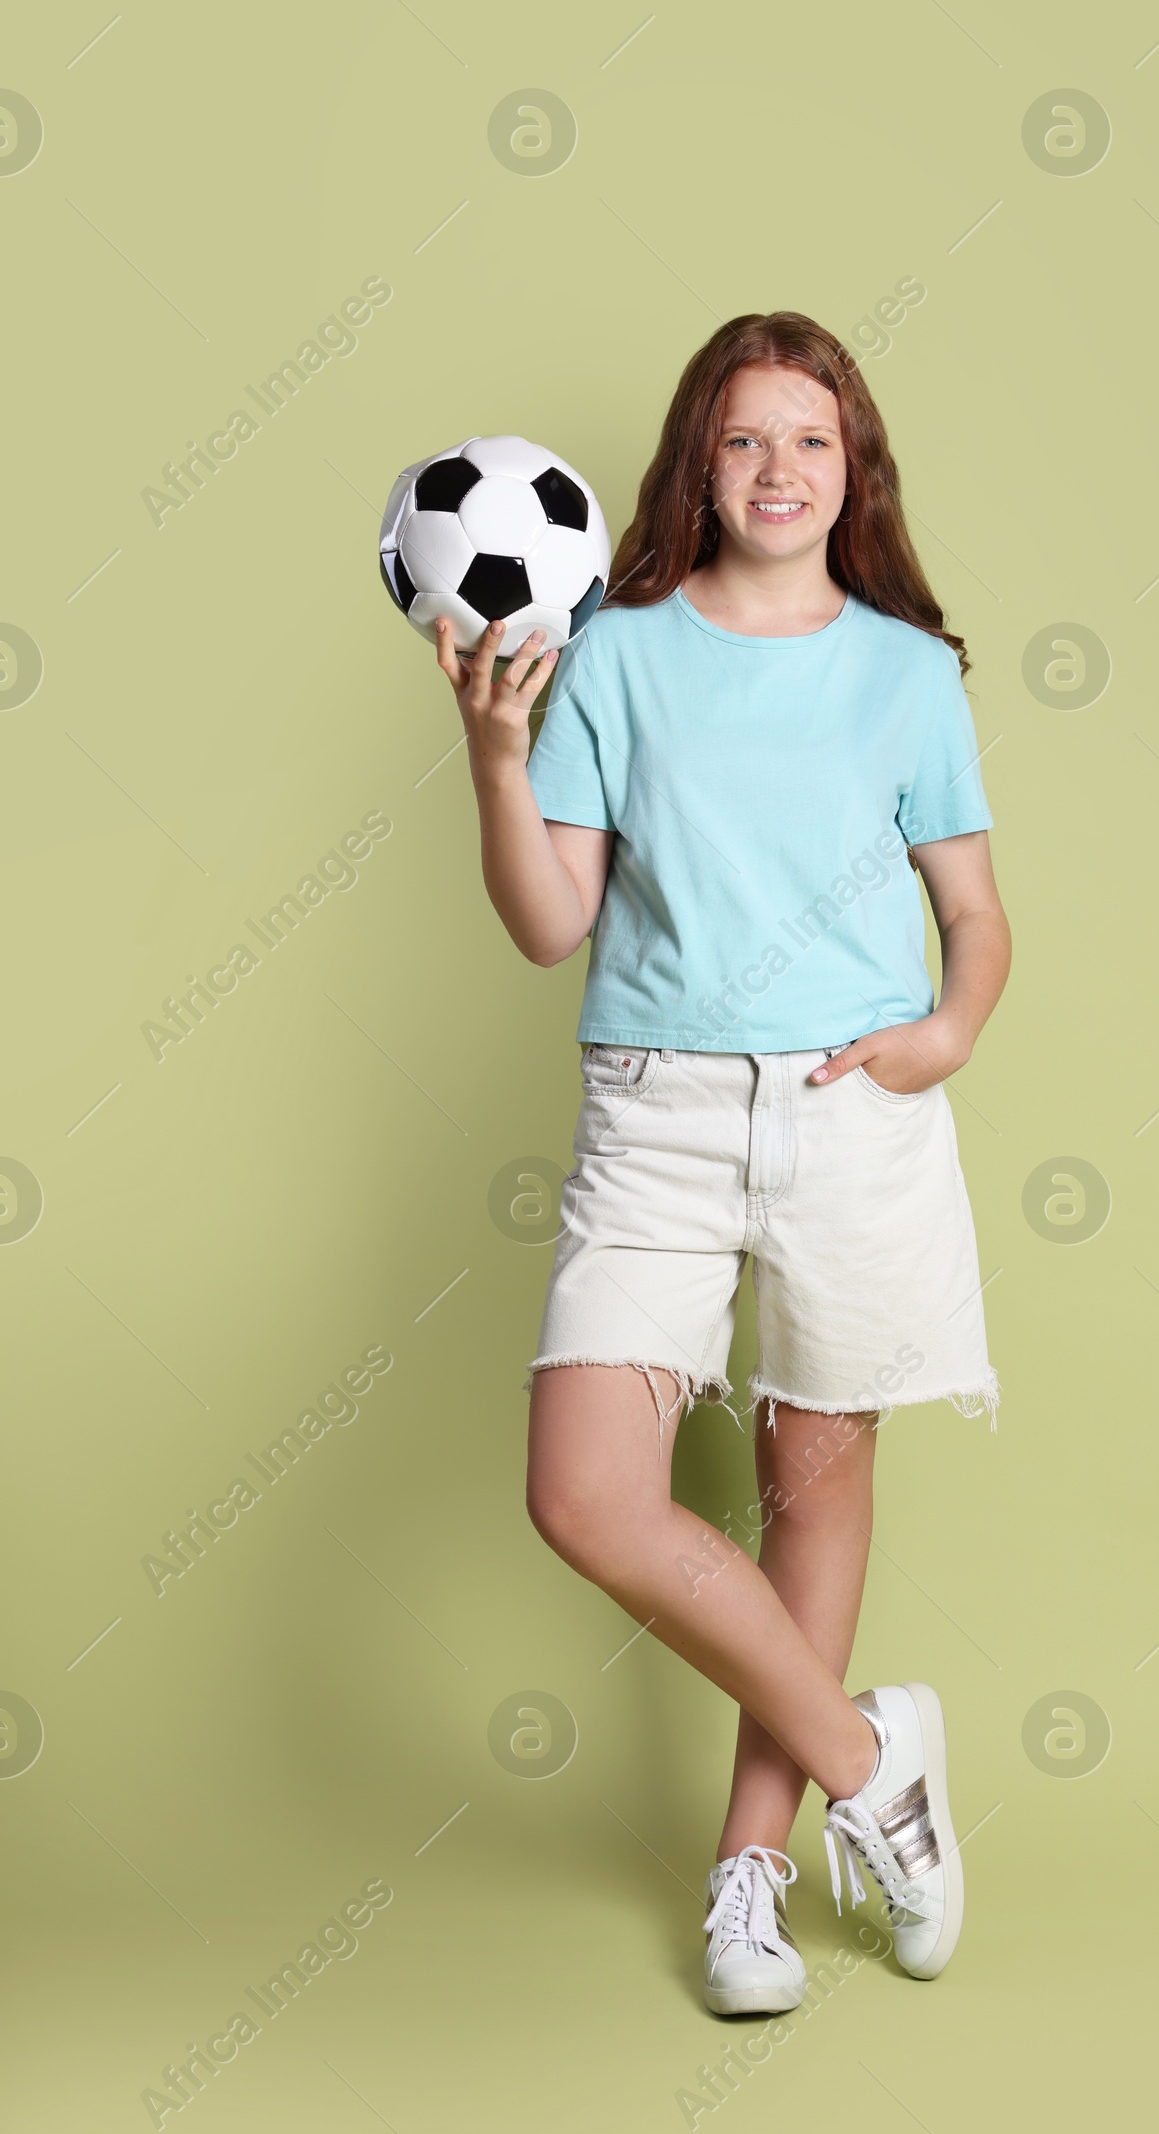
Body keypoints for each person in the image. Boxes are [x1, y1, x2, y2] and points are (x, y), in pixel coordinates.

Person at [436, 311, 1009, 2014]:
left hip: (855, 1109)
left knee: (809, 1490)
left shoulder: (909, 673)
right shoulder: (613, 651)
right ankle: (874, 1765)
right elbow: (553, 924)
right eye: (746, 441)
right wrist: (489, 752)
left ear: (856, 470)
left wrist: (946, 1035)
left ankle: (748, 1875)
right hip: (659, 1116)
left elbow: (974, 917)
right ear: (700, 462)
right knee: (586, 1492)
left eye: (813, 442)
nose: (779, 471)